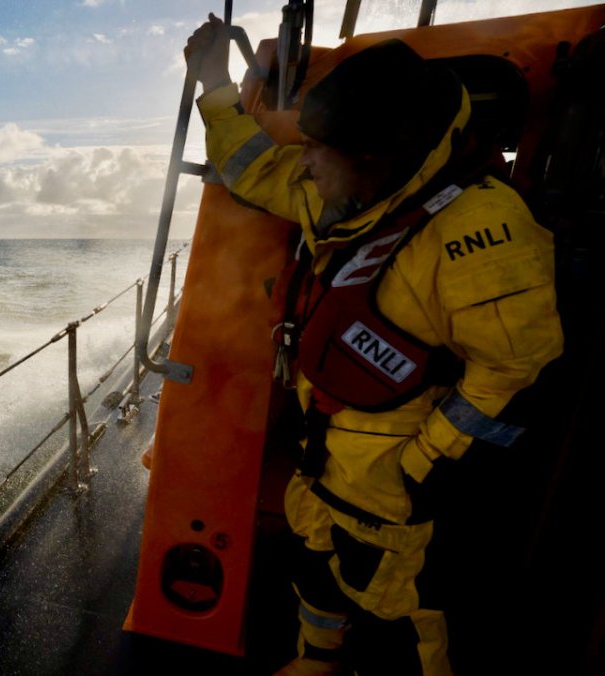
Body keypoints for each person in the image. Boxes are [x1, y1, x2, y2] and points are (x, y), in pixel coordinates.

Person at [185, 15, 562, 676]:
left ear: (372, 157)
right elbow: (248, 167)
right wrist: (215, 85)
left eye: (316, 150)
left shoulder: (485, 233)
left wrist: (419, 468)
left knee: (411, 617)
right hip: (327, 458)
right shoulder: (344, 196)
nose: (300, 162)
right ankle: (318, 658)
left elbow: (516, 370)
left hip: (404, 490)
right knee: (315, 566)